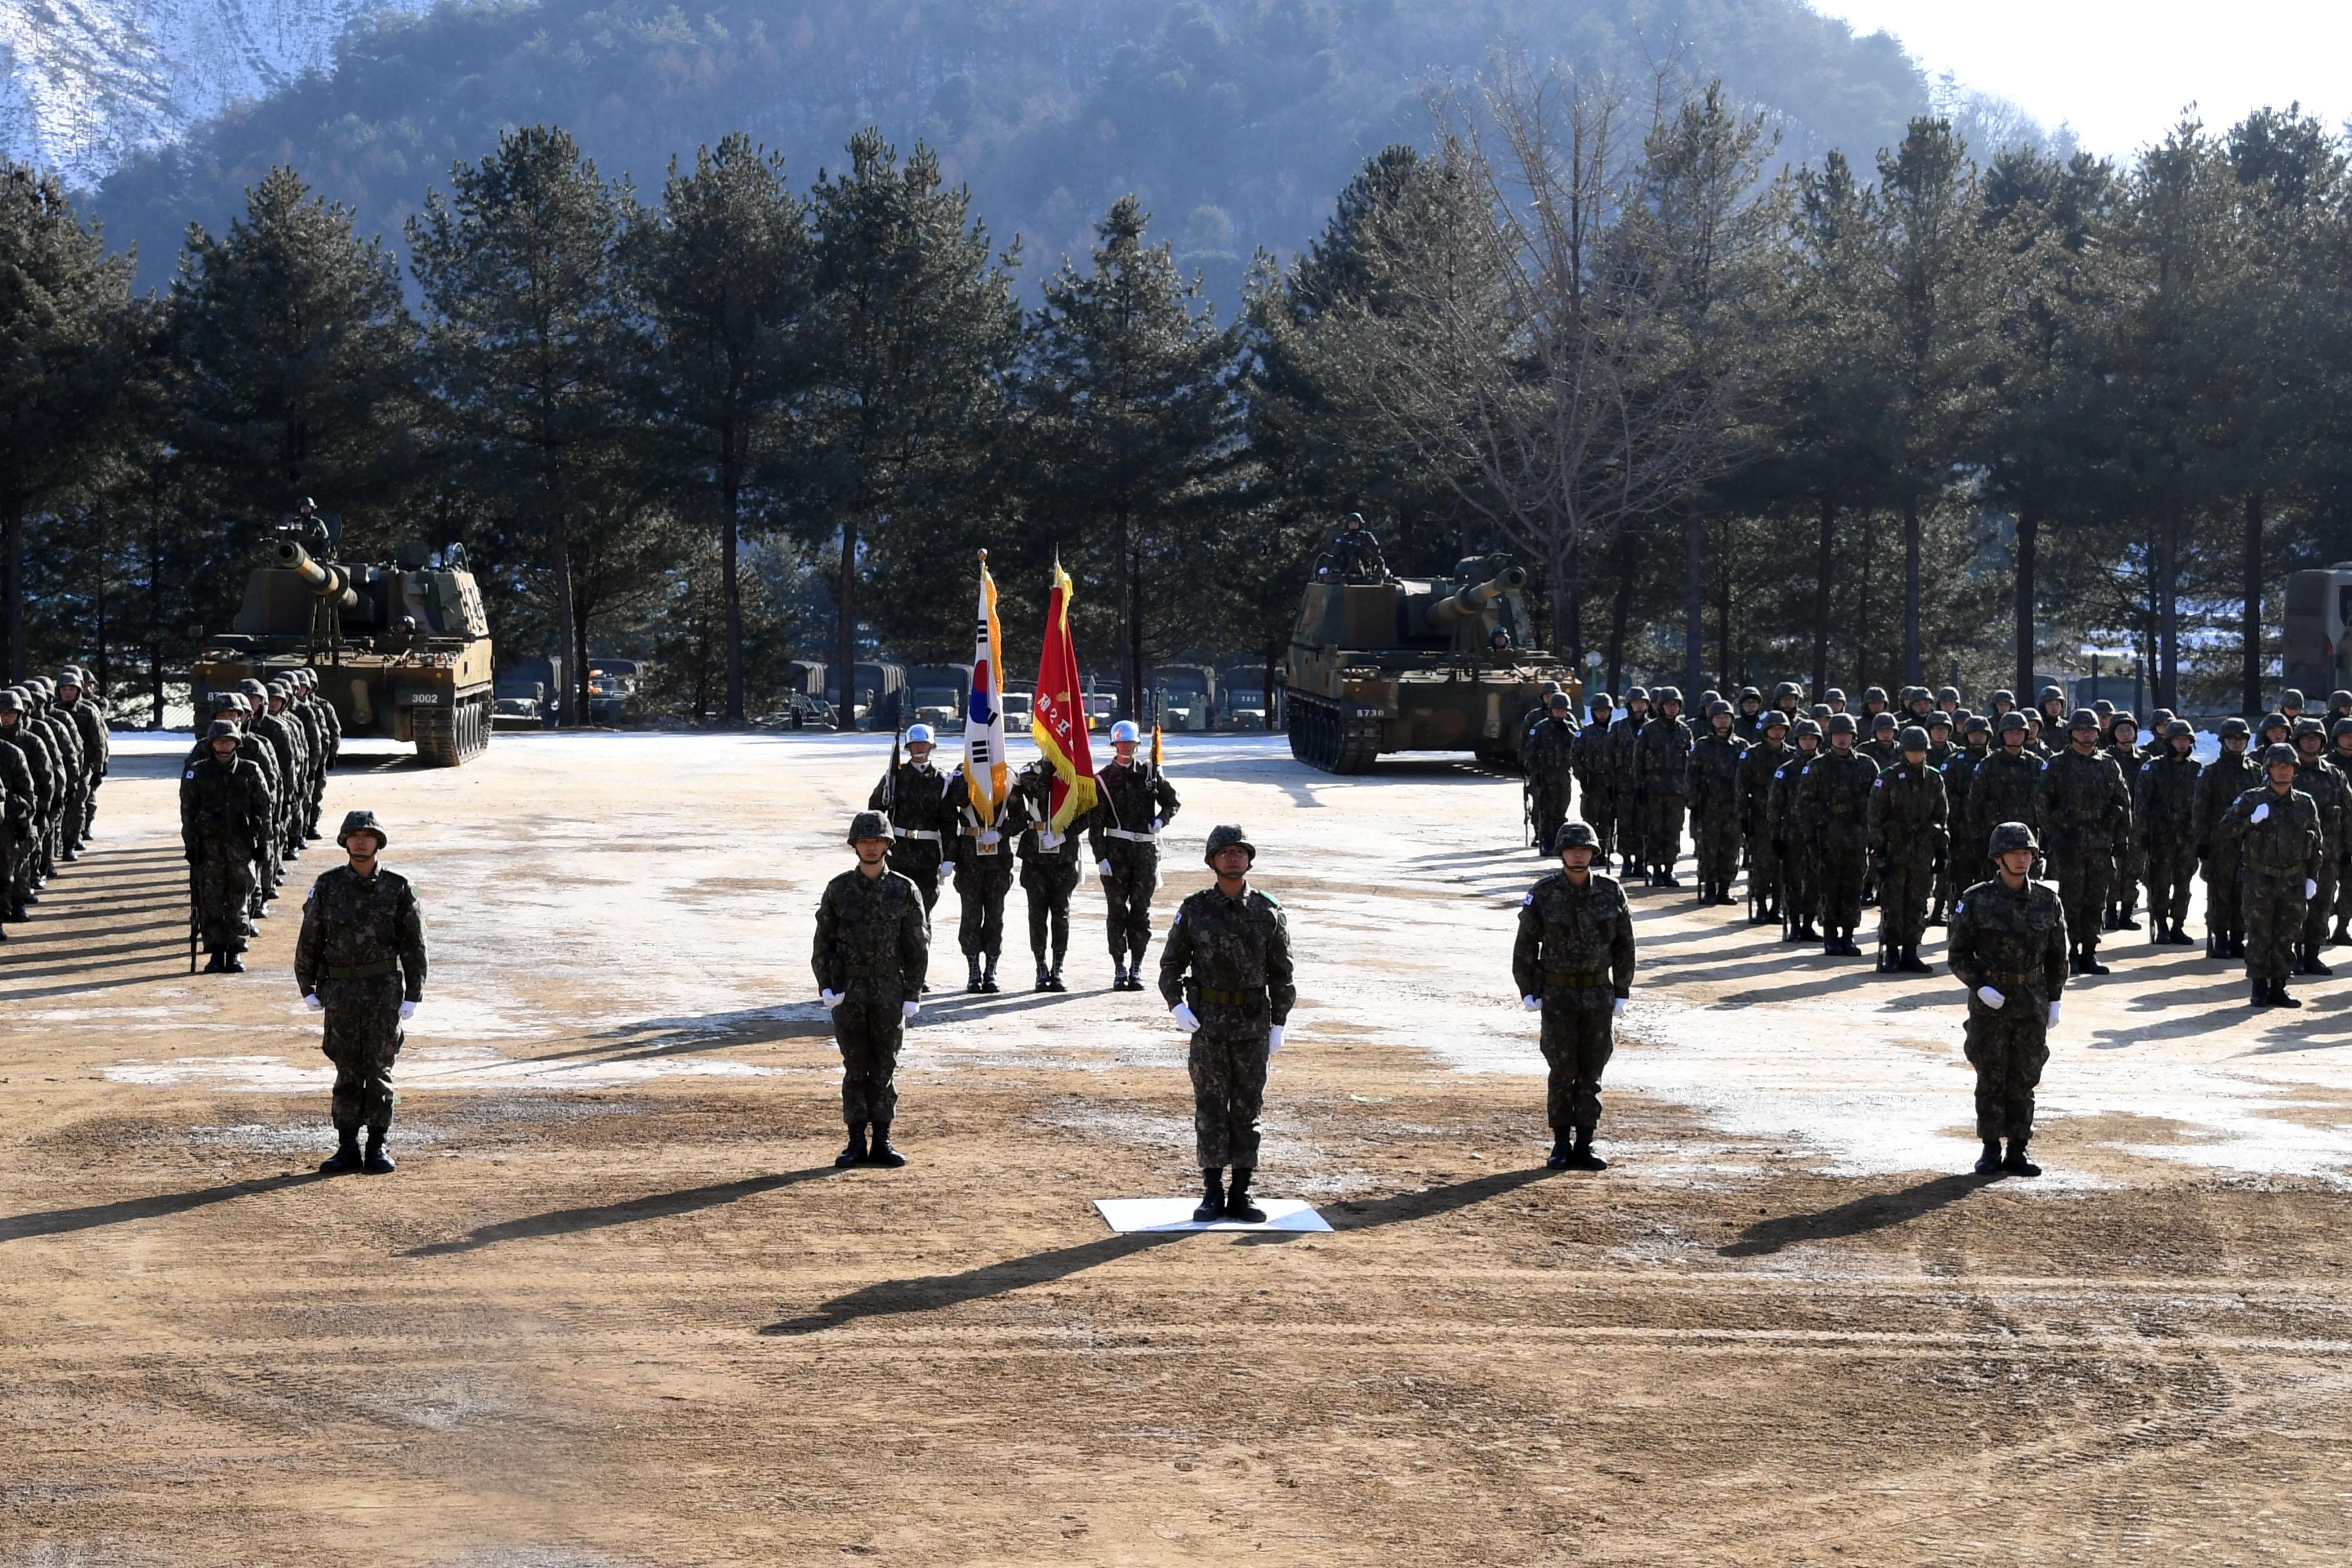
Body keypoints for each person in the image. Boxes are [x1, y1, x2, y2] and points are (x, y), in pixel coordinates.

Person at [1159, 825, 1295, 1224]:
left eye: (1240, 852)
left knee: (1248, 1109)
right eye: (1225, 852)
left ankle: (1242, 1190)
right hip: (1209, 1026)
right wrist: (1176, 1007)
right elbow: (1171, 965)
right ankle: (1212, 1190)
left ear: (1249, 859)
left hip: (1253, 1026)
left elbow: (1282, 973)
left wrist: (1279, 1024)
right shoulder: (1196, 909)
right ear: (1213, 860)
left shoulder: (1268, 910)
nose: (1233, 858)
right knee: (1211, 1108)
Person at [294, 810, 427, 1174]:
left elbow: (414, 946)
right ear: (345, 841)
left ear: (378, 842)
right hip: (340, 992)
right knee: (347, 1071)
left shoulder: (398, 887)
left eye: (368, 835)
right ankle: (347, 1146)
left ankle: (378, 1145)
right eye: (354, 835)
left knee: (380, 1070)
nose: (361, 841)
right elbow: (310, 939)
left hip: (383, 992)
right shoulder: (328, 885)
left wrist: (414, 993)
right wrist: (307, 987)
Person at [1946, 822, 2068, 1177]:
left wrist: (2056, 998)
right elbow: (1959, 954)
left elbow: (2058, 954)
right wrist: (1979, 986)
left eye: (2027, 853)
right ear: (1998, 858)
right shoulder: (1976, 899)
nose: (2022, 859)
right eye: (2015, 853)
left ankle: (2018, 1148)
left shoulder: (2047, 900)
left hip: (2031, 1000)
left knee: (2025, 1077)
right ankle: (1989, 1148)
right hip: (1991, 1002)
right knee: (1991, 1075)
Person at [1514, 820, 1635, 1170]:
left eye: (1584, 849)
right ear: (1562, 853)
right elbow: (1525, 945)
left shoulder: (1611, 892)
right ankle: (1560, 1144)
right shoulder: (1545, 893)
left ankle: (1586, 1143)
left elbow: (1625, 944)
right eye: (1571, 849)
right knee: (1561, 1070)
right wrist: (1528, 989)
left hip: (1598, 995)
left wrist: (1622, 990)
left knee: (1592, 1072)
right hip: (1559, 997)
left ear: (1594, 853)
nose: (1578, 854)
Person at [812, 810, 930, 1166]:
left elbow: (917, 945)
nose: (871, 847)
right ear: (855, 845)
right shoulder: (839, 889)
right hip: (849, 991)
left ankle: (882, 1139)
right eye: (865, 841)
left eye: (877, 840)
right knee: (855, 1067)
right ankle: (854, 1142)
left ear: (888, 845)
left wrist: (913, 993)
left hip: (888, 990)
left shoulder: (904, 889)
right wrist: (827, 986)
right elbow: (824, 942)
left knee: (884, 1067)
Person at [2220, 745, 2325, 1008]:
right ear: (2268, 770)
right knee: (2259, 935)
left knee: (2287, 934)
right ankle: (2258, 986)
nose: (2283, 771)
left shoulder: (2305, 803)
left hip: (2293, 879)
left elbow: (2316, 843)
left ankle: (2280, 985)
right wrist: (2251, 821)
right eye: (2278, 766)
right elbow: (2225, 831)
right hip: (2259, 879)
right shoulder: (2252, 799)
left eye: (2288, 766)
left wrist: (2312, 877)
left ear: (2294, 771)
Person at [2036, 710, 2132, 976]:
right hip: (2069, 846)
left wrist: (2121, 840)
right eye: (2081, 730)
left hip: (2100, 846)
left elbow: (2123, 803)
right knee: (2069, 902)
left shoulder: (2109, 765)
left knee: (2095, 902)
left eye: (2091, 730)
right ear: (2071, 733)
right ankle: (2069, 953)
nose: (2086, 734)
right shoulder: (2056, 764)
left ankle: (2089, 952)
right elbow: (2042, 802)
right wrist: (2053, 834)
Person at [1090, 719, 1182, 989]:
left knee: (1141, 912)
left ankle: (1137, 967)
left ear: (1137, 745)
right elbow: (1096, 823)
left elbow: (1172, 801)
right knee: (1117, 912)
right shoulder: (1103, 779)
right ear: (1114, 744)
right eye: (1121, 743)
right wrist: (1100, 857)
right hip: (1117, 853)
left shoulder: (1149, 773)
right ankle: (1119, 967)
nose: (1126, 747)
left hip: (1144, 852)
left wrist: (1161, 820)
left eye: (1130, 743)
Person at [181, 720, 271, 972]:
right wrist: (191, 845)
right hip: (208, 848)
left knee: (238, 900)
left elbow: (264, 809)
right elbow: (187, 812)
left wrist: (264, 844)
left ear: (237, 743)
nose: (224, 744)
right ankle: (215, 952)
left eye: (229, 740)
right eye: (219, 740)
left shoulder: (250, 771)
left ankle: (235, 951)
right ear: (211, 743)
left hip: (241, 847)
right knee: (210, 901)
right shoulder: (197, 772)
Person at [1867, 725, 1947, 974]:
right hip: (1895, 849)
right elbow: (1875, 815)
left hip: (1923, 850)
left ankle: (1911, 951)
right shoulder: (1888, 776)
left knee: (1918, 901)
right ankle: (1891, 951)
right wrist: (1879, 849)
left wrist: (1942, 849)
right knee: (1892, 902)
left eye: (1920, 751)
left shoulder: (1934, 778)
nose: (1916, 755)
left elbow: (1942, 815)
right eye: (1912, 751)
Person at [868, 721, 957, 934]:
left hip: (927, 856)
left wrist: (950, 859)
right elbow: (876, 811)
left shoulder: (942, 781)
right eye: (915, 744)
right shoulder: (894, 778)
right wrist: (877, 847)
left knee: (923, 914)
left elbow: (949, 823)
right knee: (894, 911)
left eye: (924, 744)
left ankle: (919, 961)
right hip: (898, 853)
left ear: (932, 746)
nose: (919, 748)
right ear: (908, 746)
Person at [1801, 713, 1878, 957]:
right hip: (1828, 839)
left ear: (1854, 737)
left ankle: (1848, 935)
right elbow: (1804, 805)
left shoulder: (1867, 765)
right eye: (1838, 735)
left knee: (1853, 888)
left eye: (1847, 735)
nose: (1842, 739)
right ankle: (1831, 936)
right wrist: (1812, 838)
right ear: (1830, 737)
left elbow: (1878, 802)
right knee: (1829, 888)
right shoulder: (1817, 766)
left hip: (1857, 839)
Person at [949, 758, 1026, 993]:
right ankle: (973, 970)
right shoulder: (962, 773)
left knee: (995, 916)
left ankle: (991, 970)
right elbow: (956, 803)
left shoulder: (1007, 775)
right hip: (969, 856)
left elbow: (1020, 818)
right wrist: (968, 777)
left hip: (998, 859)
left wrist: (1002, 833)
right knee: (970, 916)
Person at [1013, 759, 1083, 992]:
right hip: (1036, 855)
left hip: (1063, 854)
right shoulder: (1029, 772)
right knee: (1037, 914)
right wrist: (1050, 766)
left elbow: (1088, 810)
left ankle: (1058, 967)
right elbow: (1041, 792)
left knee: (1061, 915)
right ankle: (1041, 967)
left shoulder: (1074, 772)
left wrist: (1066, 833)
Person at [2195, 718, 2260, 959]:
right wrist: (2202, 843)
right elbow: (2200, 810)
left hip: (2249, 841)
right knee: (2220, 892)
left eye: (2241, 739)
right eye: (2232, 739)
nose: (2237, 743)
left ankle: (2237, 937)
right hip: (2220, 842)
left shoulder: (2256, 770)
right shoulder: (2211, 772)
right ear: (2223, 741)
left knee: (2245, 891)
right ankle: (2220, 937)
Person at [2134, 720, 2202, 946]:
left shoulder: (2196, 770)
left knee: (2184, 885)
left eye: (2186, 740)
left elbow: (2203, 805)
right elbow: (2141, 804)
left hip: (2187, 836)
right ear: (2169, 741)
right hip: (2161, 835)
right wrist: (2143, 834)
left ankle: (2178, 926)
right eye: (2177, 740)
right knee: (2160, 883)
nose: (2182, 744)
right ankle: (2161, 925)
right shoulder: (2153, 768)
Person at [2291, 719, 2349, 975]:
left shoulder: (2335, 775)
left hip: (2328, 853)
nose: (2311, 742)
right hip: (2293, 853)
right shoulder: (2286, 771)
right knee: (2293, 906)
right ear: (2298, 741)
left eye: (2316, 738)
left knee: (2322, 903)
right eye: (2306, 738)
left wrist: (2348, 849)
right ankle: (2293, 955)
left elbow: (2348, 814)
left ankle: (2313, 954)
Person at [1686, 698, 1747, 906]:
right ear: (1711, 720)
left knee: (1731, 848)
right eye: (1718, 717)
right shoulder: (1702, 746)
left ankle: (1725, 889)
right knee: (1709, 848)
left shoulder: (1742, 746)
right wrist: (1693, 803)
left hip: (1734, 807)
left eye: (1726, 717)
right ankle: (1709, 888)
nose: (1722, 721)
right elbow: (1692, 775)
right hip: (1709, 806)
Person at [1770, 718, 1823, 942]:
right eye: (1804, 739)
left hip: (1819, 833)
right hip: (1793, 832)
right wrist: (1775, 835)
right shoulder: (1786, 770)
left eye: (1812, 739)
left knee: (1815, 880)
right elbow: (1775, 805)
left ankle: (1809, 924)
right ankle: (1793, 923)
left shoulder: (1826, 766)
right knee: (1792, 880)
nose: (1808, 743)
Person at [1740, 711, 1793, 925]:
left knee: (1782, 865)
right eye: (1774, 728)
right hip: (1760, 817)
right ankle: (1761, 905)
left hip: (1785, 818)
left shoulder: (1792, 756)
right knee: (1761, 865)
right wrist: (1743, 817)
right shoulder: (1752, 754)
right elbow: (1741, 787)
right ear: (1766, 730)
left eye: (1782, 728)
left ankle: (1777, 906)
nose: (1778, 731)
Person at [1636, 687, 1692, 888]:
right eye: (1668, 705)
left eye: (1675, 705)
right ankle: (1657, 868)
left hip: (1677, 790)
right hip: (1654, 789)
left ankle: (1669, 868)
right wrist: (1639, 787)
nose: (1672, 708)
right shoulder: (1649, 730)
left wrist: (1690, 790)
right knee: (1655, 829)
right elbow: (1639, 760)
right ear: (1660, 707)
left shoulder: (1685, 731)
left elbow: (1691, 764)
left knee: (1674, 829)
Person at [53, 667, 106, 853]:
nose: (68, 693)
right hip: (59, 767)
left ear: (78, 690)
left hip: (83, 767)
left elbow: (98, 742)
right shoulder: (53, 712)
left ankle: (71, 843)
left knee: (77, 806)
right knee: (59, 807)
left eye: (72, 689)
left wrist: (99, 769)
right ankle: (57, 843)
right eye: (64, 689)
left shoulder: (88, 711)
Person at [1523, 692, 1580, 856]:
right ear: (1551, 709)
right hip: (1545, 776)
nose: (1560, 713)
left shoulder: (1569, 726)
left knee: (1561, 810)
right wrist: (1534, 773)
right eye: (1557, 710)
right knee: (1546, 811)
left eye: (1563, 710)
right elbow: (1530, 752)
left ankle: (1559, 841)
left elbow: (1578, 745)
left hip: (1563, 776)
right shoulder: (1540, 728)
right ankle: (1546, 841)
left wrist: (1567, 730)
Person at [1608, 688, 1651, 879]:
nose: (1639, 706)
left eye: (1643, 702)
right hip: (1623, 784)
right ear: (1629, 705)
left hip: (1646, 784)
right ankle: (1626, 860)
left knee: (1644, 824)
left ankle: (1642, 861)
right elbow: (1608, 756)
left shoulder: (1652, 727)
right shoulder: (1618, 727)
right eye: (1636, 702)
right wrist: (1609, 783)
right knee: (1624, 823)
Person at [1573, 692, 1617, 868]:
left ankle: (1605, 851)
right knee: (1590, 821)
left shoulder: (1615, 731)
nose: (1602, 714)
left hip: (1610, 783)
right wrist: (1582, 776)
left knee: (1608, 821)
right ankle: (1590, 853)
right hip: (1591, 782)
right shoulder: (1585, 732)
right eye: (1598, 710)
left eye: (1605, 710)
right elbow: (1575, 757)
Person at [1320, 513, 1391, 583]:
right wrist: (1326, 567)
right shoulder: (1343, 539)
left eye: (1355, 524)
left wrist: (1362, 549)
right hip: (1345, 571)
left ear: (1360, 524)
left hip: (1366, 569)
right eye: (1351, 524)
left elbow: (1376, 552)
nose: (1353, 525)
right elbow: (1334, 554)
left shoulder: (1367, 537)